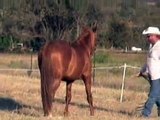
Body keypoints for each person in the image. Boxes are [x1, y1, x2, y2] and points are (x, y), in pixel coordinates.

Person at [138, 26, 160, 117]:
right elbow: (149, 61)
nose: (148, 38)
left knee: (152, 95)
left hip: (158, 76)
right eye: (147, 36)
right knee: (157, 96)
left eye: (149, 36)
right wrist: (142, 71)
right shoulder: (151, 46)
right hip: (152, 76)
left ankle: (145, 114)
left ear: (156, 36)